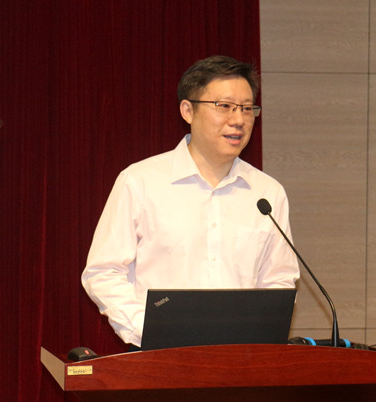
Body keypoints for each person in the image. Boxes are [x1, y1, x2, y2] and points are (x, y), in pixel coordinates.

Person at [81, 55, 300, 348]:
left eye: (247, 108)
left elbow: (279, 281)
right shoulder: (140, 182)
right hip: (159, 355)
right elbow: (103, 272)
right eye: (224, 106)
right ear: (188, 111)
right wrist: (147, 329)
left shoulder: (267, 193)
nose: (238, 120)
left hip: (242, 358)